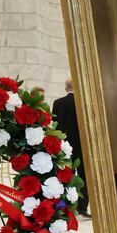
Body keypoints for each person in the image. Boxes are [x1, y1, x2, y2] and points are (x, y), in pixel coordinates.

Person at [52, 78, 90, 218]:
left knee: (63, 177)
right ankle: (82, 207)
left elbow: (54, 125)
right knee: (84, 176)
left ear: (65, 88)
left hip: (63, 147)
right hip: (81, 146)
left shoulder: (57, 103)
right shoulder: (82, 103)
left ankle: (63, 207)